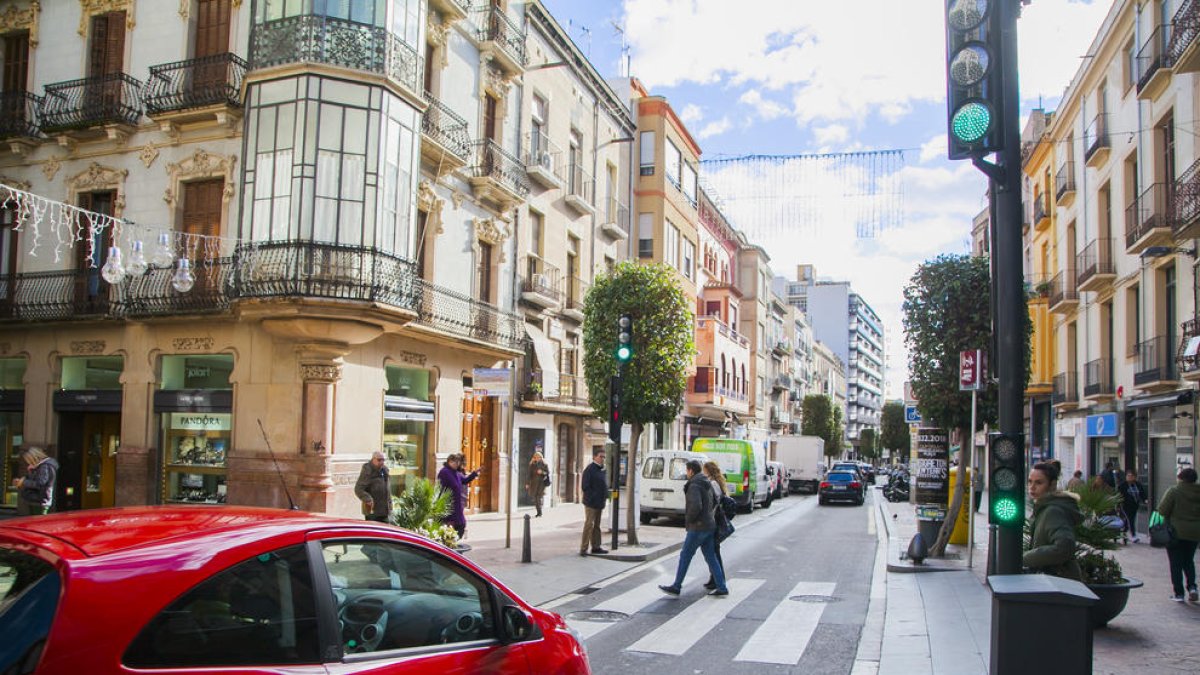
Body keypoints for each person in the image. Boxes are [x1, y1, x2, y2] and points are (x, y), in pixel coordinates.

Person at [659, 460, 729, 597]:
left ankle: (677, 585)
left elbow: (695, 506)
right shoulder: (706, 482)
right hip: (709, 525)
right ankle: (721, 586)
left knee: (685, 555)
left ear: (691, 471)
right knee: (711, 556)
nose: (686, 473)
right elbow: (715, 500)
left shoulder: (694, 485)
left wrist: (689, 519)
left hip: (698, 527)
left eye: (687, 470)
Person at [1023, 459, 1083, 581]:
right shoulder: (1043, 508)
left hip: (1059, 582)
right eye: (1030, 482)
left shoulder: (1053, 511)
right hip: (1051, 581)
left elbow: (1064, 546)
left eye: (1039, 483)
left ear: (1052, 484)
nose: (1032, 487)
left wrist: (1025, 558)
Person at [1157, 467, 1200, 602]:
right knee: (1188, 560)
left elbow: (1162, 510)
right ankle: (1192, 587)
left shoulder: (1174, 491)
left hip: (1175, 532)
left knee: (1175, 563)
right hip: (1194, 533)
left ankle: (1179, 593)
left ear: (1181, 477)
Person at [702, 460, 731, 591]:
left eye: (704, 470)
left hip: (713, 521)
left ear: (708, 471)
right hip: (716, 520)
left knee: (713, 552)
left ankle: (718, 579)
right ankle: (714, 578)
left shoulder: (713, 483)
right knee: (714, 551)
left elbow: (712, 501)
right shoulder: (718, 482)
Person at [438, 453, 480, 538]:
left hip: (457, 504)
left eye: (458, 462)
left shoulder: (456, 473)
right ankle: (450, 544)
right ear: (449, 462)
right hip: (449, 504)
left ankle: (453, 542)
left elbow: (465, 480)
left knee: (461, 525)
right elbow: (441, 487)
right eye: (455, 462)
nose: (457, 464)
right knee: (452, 526)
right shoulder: (444, 472)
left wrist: (475, 473)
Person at [580, 448, 608, 556]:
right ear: (594, 457)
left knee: (597, 525)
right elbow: (585, 486)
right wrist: (593, 497)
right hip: (591, 503)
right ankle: (584, 548)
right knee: (589, 524)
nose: (602, 459)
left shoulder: (602, 469)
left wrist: (605, 497)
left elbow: (604, 485)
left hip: (599, 502)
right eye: (601, 456)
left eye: (604, 457)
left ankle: (596, 546)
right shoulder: (589, 469)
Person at [14, 447, 57, 516]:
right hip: (38, 499)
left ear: (34, 457)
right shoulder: (39, 466)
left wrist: (23, 482)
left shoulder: (44, 466)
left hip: (41, 500)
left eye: (29, 460)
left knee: (38, 521)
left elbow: (40, 483)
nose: (28, 462)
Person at [353, 450, 391, 523]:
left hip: (384, 510)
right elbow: (358, 489)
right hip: (372, 511)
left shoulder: (384, 470)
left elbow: (387, 490)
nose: (382, 462)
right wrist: (368, 499)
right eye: (379, 460)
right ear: (373, 459)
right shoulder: (367, 470)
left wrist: (390, 506)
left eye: (383, 460)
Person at [1117, 470, 1148, 544]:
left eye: (1131, 476)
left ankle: (1124, 532)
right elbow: (1118, 495)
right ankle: (1133, 535)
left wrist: (1145, 500)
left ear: (1134, 477)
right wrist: (1118, 505)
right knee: (1130, 519)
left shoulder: (1138, 484)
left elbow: (1142, 493)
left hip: (1135, 505)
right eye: (1128, 476)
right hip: (1125, 505)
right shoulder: (1122, 485)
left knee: (1130, 520)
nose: (1129, 477)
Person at [526, 451, 549, 517]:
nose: (537, 458)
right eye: (536, 457)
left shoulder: (545, 464)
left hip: (541, 484)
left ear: (541, 457)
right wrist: (527, 483)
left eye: (539, 457)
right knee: (535, 498)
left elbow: (547, 473)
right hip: (534, 484)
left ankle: (540, 513)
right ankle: (538, 511)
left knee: (538, 498)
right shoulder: (532, 464)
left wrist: (542, 472)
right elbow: (529, 475)